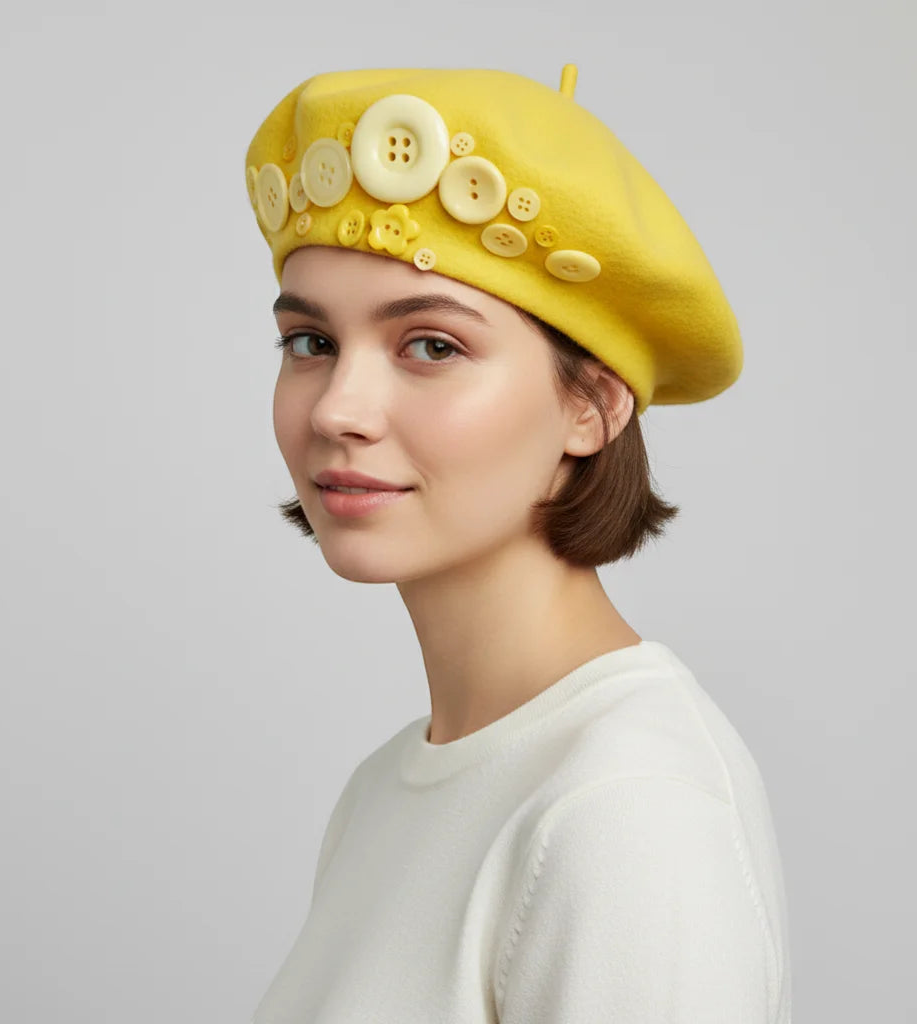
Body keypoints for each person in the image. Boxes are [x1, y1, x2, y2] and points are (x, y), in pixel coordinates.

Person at [243, 65, 792, 1023]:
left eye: (431, 346)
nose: (337, 409)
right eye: (310, 343)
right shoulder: (388, 790)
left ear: (592, 404)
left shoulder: (623, 807)